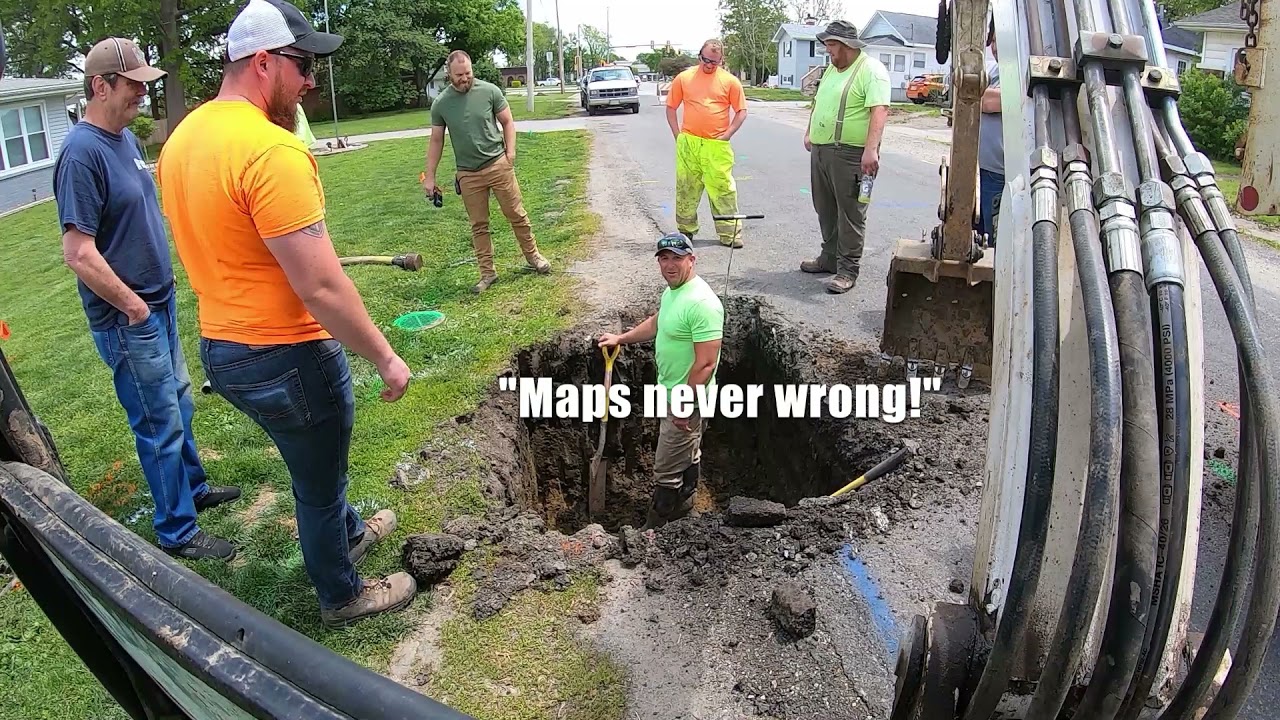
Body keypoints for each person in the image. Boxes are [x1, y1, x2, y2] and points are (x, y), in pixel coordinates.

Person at [156, 0, 416, 628]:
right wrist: (385, 355)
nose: (310, 83)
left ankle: (349, 531)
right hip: (287, 356)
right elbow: (322, 288)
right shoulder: (270, 152)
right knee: (319, 480)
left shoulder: (182, 139)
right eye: (303, 67)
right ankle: (342, 593)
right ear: (264, 61)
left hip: (225, 351)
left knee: (313, 462)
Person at [53, 37, 241, 561]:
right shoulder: (81, 154)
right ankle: (178, 531)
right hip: (127, 318)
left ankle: (194, 490)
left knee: (179, 402)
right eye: (134, 85)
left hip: (158, 302)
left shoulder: (125, 141)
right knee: (158, 421)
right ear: (101, 85)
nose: (142, 94)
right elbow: (78, 252)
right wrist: (133, 307)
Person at [598, 232, 724, 529]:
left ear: (692, 260)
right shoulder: (673, 293)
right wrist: (622, 338)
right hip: (674, 394)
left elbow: (706, 363)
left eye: (676, 259)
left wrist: (684, 404)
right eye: (664, 258)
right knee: (688, 452)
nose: (669, 265)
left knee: (665, 470)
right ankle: (687, 504)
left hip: (687, 401)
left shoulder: (703, 304)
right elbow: (658, 321)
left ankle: (658, 528)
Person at [424, 50, 551, 294]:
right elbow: (436, 141)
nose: (464, 79)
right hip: (468, 174)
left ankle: (534, 257)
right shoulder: (441, 103)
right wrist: (430, 176)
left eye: (468, 73)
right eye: (459, 75)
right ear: (448, 74)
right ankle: (487, 273)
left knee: (516, 214)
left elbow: (507, 122)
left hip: (497, 164)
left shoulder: (490, 91)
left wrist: (510, 153)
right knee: (479, 225)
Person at [801, 20, 891, 294]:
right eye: (827, 44)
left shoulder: (871, 70)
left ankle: (847, 270)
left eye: (832, 45)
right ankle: (829, 258)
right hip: (822, 151)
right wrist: (810, 132)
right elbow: (818, 102)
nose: (828, 50)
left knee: (851, 214)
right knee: (825, 209)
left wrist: (871, 150)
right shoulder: (831, 70)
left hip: (851, 155)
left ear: (848, 46)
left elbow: (880, 110)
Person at [665, 39, 749, 248]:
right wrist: (678, 135)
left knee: (723, 189)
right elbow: (671, 107)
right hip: (689, 143)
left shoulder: (730, 82)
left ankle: (730, 234)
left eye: (714, 62)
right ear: (699, 56)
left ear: (722, 60)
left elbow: (741, 111)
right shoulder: (684, 78)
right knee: (686, 188)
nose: (709, 65)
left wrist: (727, 134)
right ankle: (686, 231)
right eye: (705, 60)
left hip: (716, 145)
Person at [977, 20, 1004, 246]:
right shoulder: (995, 71)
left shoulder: (1020, 72)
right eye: (992, 41)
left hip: (1003, 173)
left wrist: (981, 95)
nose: (994, 47)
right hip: (988, 169)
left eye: (999, 41)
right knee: (987, 230)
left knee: (999, 235)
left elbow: (986, 101)